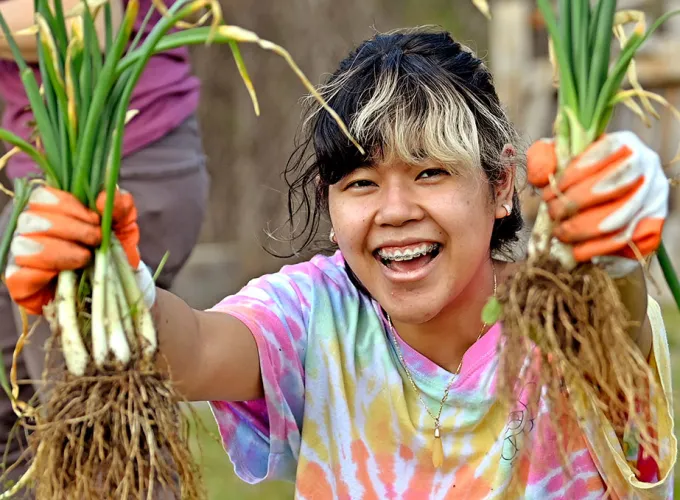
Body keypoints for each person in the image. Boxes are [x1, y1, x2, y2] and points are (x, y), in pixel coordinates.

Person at [4, 28, 676, 498]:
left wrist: (610, 249)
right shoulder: (318, 311)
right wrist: (108, 284)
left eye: (431, 172)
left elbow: (613, 336)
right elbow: (195, 350)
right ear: (330, 205)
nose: (394, 210)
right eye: (360, 183)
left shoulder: (568, 322)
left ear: (501, 187)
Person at [0, 0, 209, 489]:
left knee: (97, 431)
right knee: (21, 417)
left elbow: (93, 22)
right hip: (36, 169)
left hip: (115, 157)